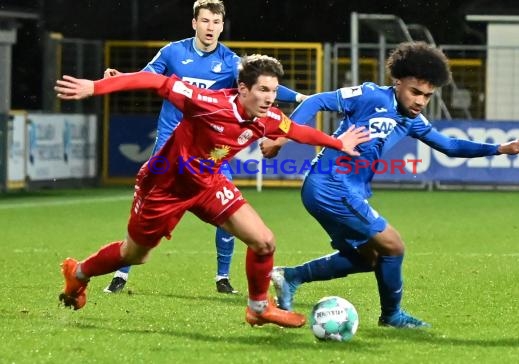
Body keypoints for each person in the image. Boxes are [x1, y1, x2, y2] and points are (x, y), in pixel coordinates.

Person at [54, 54, 369, 328]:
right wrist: (95, 87)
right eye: (263, 89)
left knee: (264, 241)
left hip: (208, 184)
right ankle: (79, 274)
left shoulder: (268, 118)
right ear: (243, 89)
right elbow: (156, 82)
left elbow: (299, 131)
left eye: (273, 90)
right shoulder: (206, 102)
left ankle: (258, 309)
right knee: (135, 255)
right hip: (164, 188)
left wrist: (338, 142)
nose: (270, 97)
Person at [260, 41, 519, 328]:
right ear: (397, 81)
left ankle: (291, 276)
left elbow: (451, 146)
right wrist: (282, 137)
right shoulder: (370, 95)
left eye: (427, 96)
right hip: (331, 185)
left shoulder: (412, 121)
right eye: (415, 92)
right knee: (393, 246)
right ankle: (392, 316)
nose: (420, 101)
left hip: (342, 189)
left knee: (368, 258)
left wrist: (499, 149)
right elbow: (316, 101)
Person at [103, 0, 307, 295]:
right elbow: (147, 77)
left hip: (209, 150)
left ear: (222, 26)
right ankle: (122, 272)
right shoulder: (173, 53)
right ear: (194, 23)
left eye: (216, 22)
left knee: (227, 208)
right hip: (169, 147)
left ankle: (222, 278)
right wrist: (121, 78)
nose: (210, 27)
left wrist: (301, 98)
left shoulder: (230, 62)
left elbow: (263, 84)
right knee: (146, 210)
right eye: (205, 21)